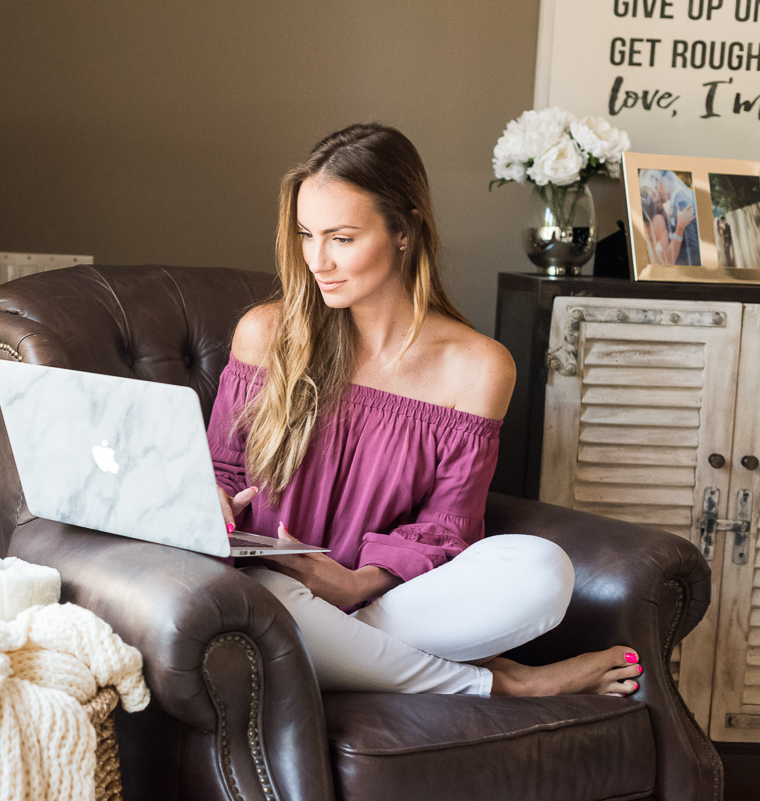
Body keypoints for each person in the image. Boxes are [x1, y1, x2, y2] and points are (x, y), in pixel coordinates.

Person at [206, 123, 642, 697]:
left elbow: (445, 527)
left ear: (406, 230)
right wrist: (210, 503)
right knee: (266, 600)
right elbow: (223, 472)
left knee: (542, 570)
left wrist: (353, 583)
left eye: (341, 238)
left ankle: (347, 654)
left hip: (389, 603)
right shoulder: (267, 333)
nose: (316, 260)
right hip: (270, 585)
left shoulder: (480, 367)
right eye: (306, 234)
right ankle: (500, 685)